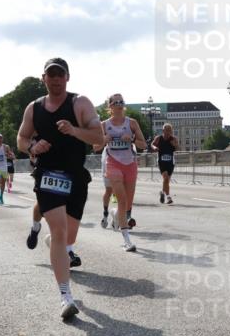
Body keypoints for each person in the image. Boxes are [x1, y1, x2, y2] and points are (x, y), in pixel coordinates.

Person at [17, 57, 103, 321]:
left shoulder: (80, 103)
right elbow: (21, 138)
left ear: (67, 78)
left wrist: (75, 131)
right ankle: (66, 296)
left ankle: (55, 245)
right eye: (50, 75)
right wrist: (32, 147)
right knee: (59, 230)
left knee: (68, 236)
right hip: (48, 175)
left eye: (59, 75)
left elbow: (99, 138)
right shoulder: (34, 108)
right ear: (43, 78)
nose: (55, 79)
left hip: (76, 175)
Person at [101, 93, 145, 251]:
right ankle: (127, 240)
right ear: (110, 106)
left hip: (130, 164)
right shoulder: (104, 125)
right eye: (116, 102)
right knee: (121, 199)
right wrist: (103, 140)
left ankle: (114, 213)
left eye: (122, 101)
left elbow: (143, 144)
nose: (119, 104)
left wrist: (132, 139)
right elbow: (95, 146)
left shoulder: (131, 123)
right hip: (113, 163)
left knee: (127, 203)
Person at [150, 123, 178, 204]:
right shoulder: (159, 138)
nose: (169, 132)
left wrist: (175, 145)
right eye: (167, 130)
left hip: (170, 162)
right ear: (163, 130)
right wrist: (154, 147)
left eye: (170, 130)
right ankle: (168, 197)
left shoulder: (173, 139)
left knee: (166, 181)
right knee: (165, 178)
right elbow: (152, 144)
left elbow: (177, 148)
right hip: (161, 161)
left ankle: (162, 192)